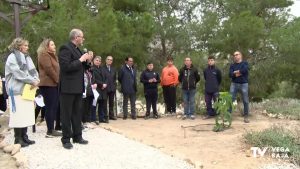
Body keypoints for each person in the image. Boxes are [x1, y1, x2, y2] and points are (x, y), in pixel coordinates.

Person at [58, 29, 92, 149]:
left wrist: (88, 61)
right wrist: (80, 60)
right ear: (76, 37)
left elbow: (83, 67)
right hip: (67, 87)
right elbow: (66, 67)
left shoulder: (78, 50)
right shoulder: (65, 48)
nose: (83, 39)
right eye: (82, 37)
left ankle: (77, 136)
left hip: (78, 87)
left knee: (77, 113)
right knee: (66, 114)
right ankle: (66, 139)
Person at [5, 37, 39, 147]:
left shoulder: (27, 57)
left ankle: (24, 136)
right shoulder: (12, 57)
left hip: (26, 89)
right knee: (18, 114)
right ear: (18, 46)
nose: (27, 47)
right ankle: (17, 139)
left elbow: (33, 70)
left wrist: (36, 79)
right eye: (25, 45)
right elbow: (17, 73)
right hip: (15, 90)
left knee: (26, 113)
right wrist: (31, 80)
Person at [37, 38, 61, 137]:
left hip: (53, 84)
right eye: (52, 44)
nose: (54, 46)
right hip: (48, 84)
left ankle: (51, 129)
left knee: (53, 107)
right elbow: (49, 69)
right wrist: (57, 80)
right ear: (46, 46)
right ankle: (50, 131)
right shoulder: (43, 55)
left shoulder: (52, 56)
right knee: (50, 107)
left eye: (54, 44)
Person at [229, 51, 250, 123]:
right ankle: (228, 116)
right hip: (234, 84)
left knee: (245, 100)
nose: (235, 56)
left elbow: (245, 70)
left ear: (240, 55)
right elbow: (230, 74)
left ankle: (246, 116)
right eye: (234, 55)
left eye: (236, 54)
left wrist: (235, 72)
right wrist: (238, 73)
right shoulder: (232, 65)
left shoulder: (245, 63)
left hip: (244, 84)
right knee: (230, 100)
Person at [103, 56, 117, 120]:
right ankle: (105, 116)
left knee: (111, 103)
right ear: (106, 60)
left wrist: (114, 87)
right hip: (105, 89)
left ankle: (111, 115)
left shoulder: (113, 69)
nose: (109, 61)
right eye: (108, 59)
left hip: (112, 89)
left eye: (111, 60)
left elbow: (114, 79)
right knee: (104, 103)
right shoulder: (102, 68)